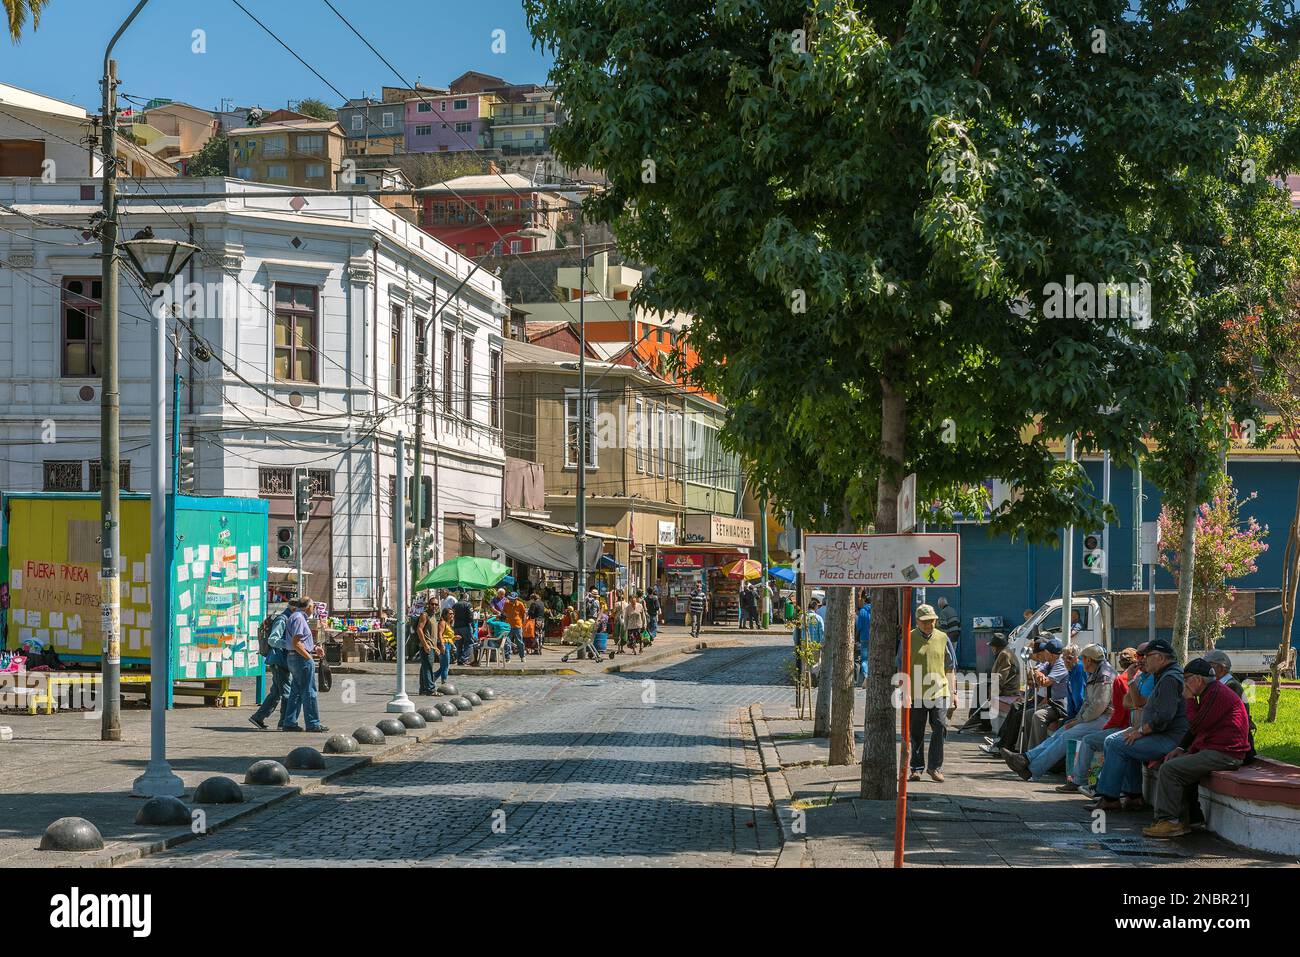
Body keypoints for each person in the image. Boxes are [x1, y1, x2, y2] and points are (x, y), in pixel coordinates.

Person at [1143, 657, 1253, 838]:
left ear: (1198, 679)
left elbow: (1196, 724)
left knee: (1170, 770)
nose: (1184, 684)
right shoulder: (1211, 691)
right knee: (1175, 763)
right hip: (1218, 749)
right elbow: (1198, 729)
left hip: (1226, 753)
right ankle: (1190, 819)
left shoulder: (1216, 693)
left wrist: (1189, 700)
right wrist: (1181, 748)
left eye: (1186, 679)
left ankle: (1169, 821)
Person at [1090, 638, 1189, 812]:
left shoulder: (1170, 678)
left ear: (1160, 657)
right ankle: (1133, 796)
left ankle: (1110, 798)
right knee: (1121, 742)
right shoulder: (1164, 675)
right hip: (1162, 734)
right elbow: (1130, 703)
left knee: (1117, 744)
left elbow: (1164, 717)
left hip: (1170, 738)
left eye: (1147, 656)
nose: (1143, 660)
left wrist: (1141, 731)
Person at [1002, 643, 1114, 781]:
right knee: (1061, 732)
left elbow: (1098, 707)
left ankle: (1032, 770)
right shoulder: (1094, 673)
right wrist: (1077, 719)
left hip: (1105, 719)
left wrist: (1079, 721)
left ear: (1089, 660)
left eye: (1082, 659)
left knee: (1066, 736)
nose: (1080, 661)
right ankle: (1026, 758)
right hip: (1094, 717)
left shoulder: (1104, 676)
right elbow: (1086, 702)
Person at [1061, 647, 1138, 793]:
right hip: (1129, 726)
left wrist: (1106, 727)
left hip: (1123, 726)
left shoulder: (1117, 679)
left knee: (1093, 741)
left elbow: (1119, 712)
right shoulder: (1131, 678)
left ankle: (1088, 783)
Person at [904, 604, 956, 784]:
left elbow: (950, 667)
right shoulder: (908, 638)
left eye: (932, 621)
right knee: (916, 731)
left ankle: (935, 767)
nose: (929, 624)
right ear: (917, 621)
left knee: (940, 726)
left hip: (939, 691)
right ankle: (916, 768)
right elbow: (901, 666)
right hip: (916, 693)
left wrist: (953, 693)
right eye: (925, 621)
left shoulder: (943, 638)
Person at [280, 595, 328, 733]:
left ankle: (289, 722)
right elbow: (296, 642)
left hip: (295, 657)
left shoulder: (296, 617)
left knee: (296, 691)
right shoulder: (299, 618)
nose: (314, 609)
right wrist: (308, 657)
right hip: (300, 658)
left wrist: (314, 648)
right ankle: (313, 723)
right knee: (309, 691)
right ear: (309, 607)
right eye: (313, 606)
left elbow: (300, 641)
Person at [249, 602, 294, 729]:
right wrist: (290, 644)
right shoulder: (282, 619)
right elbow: (273, 640)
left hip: (281, 660)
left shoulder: (289, 618)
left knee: (276, 692)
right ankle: (284, 722)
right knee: (287, 692)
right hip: (278, 660)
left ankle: (258, 718)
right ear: (294, 608)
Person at [1026, 637, 1070, 749]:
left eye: (1045, 652)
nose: (1043, 654)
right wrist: (1038, 674)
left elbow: (1045, 683)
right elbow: (1035, 672)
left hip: (1061, 705)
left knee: (1038, 716)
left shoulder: (1060, 665)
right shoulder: (1049, 663)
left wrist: (1039, 675)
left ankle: (1035, 751)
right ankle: (1023, 749)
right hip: (1052, 703)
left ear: (1052, 655)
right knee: (1028, 713)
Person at [987, 632, 1023, 734]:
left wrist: (993, 692)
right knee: (982, 688)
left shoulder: (1004, 654)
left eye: (992, 646)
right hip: (1007, 688)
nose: (991, 648)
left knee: (982, 691)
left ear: (996, 647)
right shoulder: (1006, 652)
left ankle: (983, 724)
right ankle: (981, 722)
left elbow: (1001, 676)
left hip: (1008, 690)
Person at [415, 601, 437, 695]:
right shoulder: (425, 615)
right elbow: (419, 629)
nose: (434, 606)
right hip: (427, 645)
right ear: (428, 604)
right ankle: (430, 689)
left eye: (436, 604)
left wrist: (436, 646)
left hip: (432, 645)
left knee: (425, 667)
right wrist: (425, 644)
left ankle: (423, 688)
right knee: (428, 667)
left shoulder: (433, 616)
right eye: (432, 604)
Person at [452, 590, 477, 665]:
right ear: (466, 597)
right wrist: (473, 626)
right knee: (469, 643)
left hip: (456, 626)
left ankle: (459, 659)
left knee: (458, 643)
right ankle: (463, 658)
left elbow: (452, 616)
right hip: (465, 626)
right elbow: (470, 616)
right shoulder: (468, 604)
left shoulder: (455, 605)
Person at [502, 591, 528, 662]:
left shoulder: (520, 604)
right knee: (507, 642)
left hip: (518, 626)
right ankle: (507, 658)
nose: (511, 600)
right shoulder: (506, 603)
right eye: (510, 599)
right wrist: (505, 615)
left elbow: (524, 614)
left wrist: (523, 623)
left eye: (512, 599)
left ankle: (522, 656)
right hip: (508, 626)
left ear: (516, 599)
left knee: (519, 642)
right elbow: (503, 612)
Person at [1063, 644, 1086, 719]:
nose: (1066, 661)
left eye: (1069, 658)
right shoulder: (1071, 671)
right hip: (1077, 713)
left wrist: (1075, 718)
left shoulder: (1078, 669)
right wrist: (1070, 716)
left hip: (1083, 714)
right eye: (1064, 658)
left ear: (1077, 658)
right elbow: (1070, 699)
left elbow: (1078, 697)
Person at [854, 592, 872, 683]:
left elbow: (859, 626)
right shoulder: (876, 610)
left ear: (865, 601)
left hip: (864, 637)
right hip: (874, 638)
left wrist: (856, 638)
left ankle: (866, 675)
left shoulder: (862, 611)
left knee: (864, 659)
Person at [434, 608, 453, 687]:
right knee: (445, 665)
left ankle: (432, 678)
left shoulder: (449, 624)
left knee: (444, 665)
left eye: (452, 613)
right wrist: (442, 645)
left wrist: (455, 638)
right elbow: (440, 634)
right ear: (445, 614)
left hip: (448, 644)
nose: (452, 615)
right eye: (450, 613)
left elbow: (448, 636)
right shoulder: (443, 622)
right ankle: (444, 682)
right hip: (444, 644)